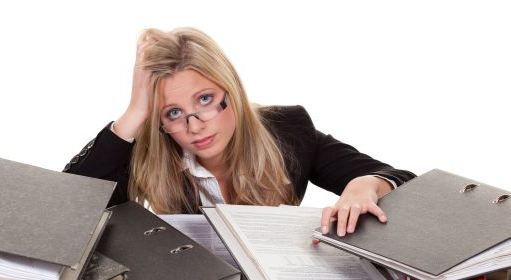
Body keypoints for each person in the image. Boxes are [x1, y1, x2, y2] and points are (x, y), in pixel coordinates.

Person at [64, 27, 415, 237]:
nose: (194, 125)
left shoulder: (289, 129)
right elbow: (66, 207)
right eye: (173, 112)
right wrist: (135, 112)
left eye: (205, 99)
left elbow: (405, 182)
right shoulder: (146, 151)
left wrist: (365, 184)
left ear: (230, 89)